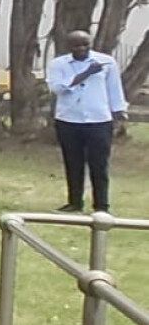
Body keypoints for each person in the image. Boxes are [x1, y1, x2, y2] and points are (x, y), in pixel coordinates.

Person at [47, 29, 125, 213]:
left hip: (99, 119)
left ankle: (101, 205)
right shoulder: (59, 64)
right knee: (73, 162)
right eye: (77, 45)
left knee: (99, 163)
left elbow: (114, 87)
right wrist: (86, 73)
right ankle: (74, 202)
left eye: (85, 44)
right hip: (69, 119)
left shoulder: (106, 62)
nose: (82, 48)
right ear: (69, 47)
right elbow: (58, 88)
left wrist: (119, 109)